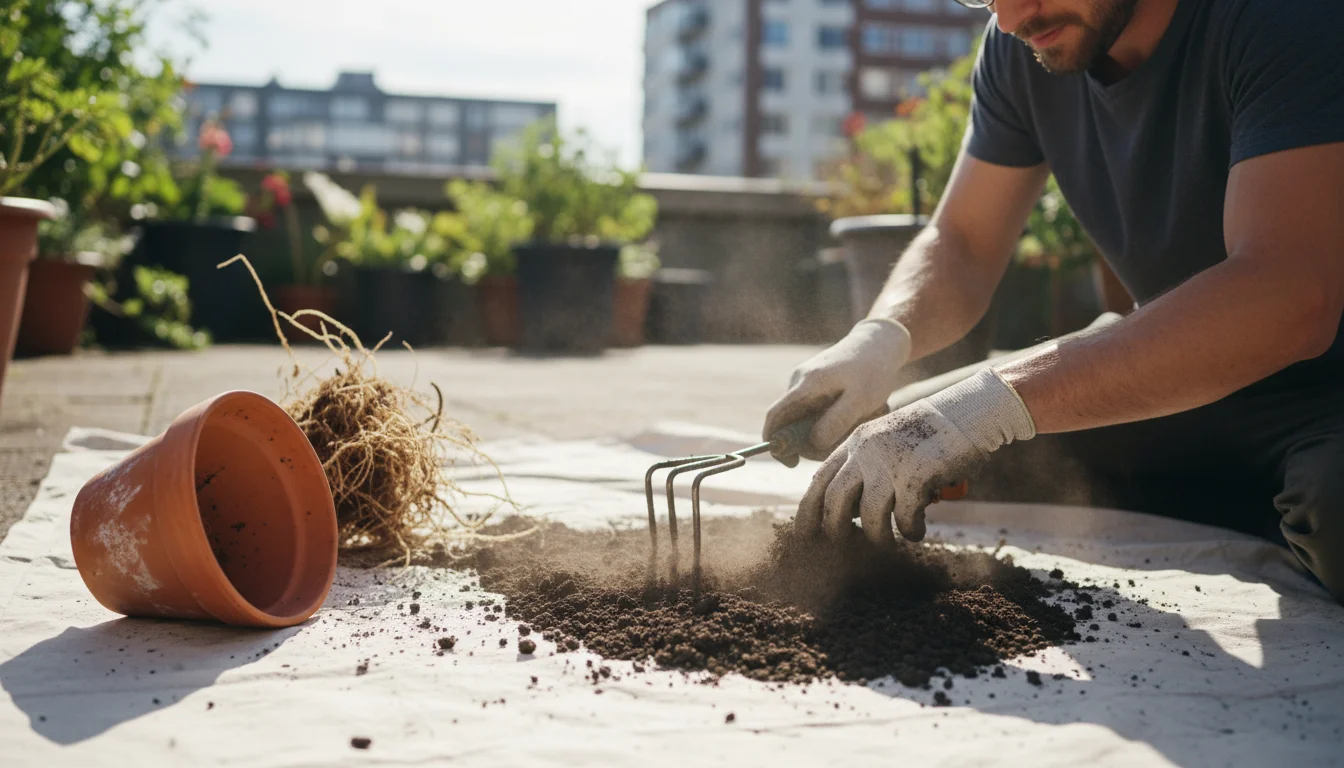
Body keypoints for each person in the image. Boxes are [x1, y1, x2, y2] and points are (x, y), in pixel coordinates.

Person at [763, 0, 1344, 601]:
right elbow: (963, 241)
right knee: (896, 458)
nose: (1011, 19)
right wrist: (880, 337)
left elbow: (1288, 293)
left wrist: (998, 403)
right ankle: (1250, 507)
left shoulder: (1287, 17)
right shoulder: (1023, 45)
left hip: (1326, 401)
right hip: (1168, 387)